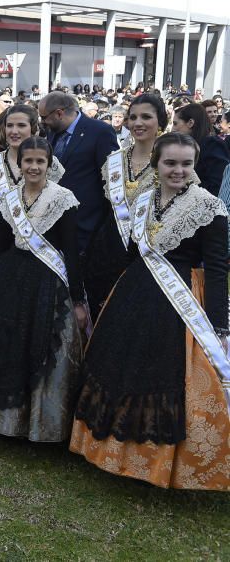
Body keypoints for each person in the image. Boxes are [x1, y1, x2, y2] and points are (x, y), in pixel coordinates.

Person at [71, 132, 230, 490]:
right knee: (119, 368)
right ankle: (109, 453)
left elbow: (219, 270)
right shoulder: (143, 199)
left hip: (178, 301)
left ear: (195, 166)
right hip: (134, 293)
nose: (178, 170)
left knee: (163, 375)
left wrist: (220, 326)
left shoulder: (209, 208)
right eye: (170, 163)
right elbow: (131, 254)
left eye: (186, 164)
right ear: (156, 164)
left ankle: (153, 464)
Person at [0, 137, 87, 441]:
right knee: (0, 340)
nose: (34, 166)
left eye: (40, 161)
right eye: (28, 161)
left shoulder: (63, 199)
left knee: (39, 345)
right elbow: (2, 242)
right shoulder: (10, 197)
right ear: (19, 163)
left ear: (50, 165)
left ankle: (35, 423)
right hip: (9, 275)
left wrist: (77, 299)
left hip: (47, 281)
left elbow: (72, 252)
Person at [83, 95, 173, 319]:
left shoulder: (174, 161)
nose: (138, 123)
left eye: (146, 117)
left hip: (149, 253)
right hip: (107, 251)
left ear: (160, 122)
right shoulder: (114, 160)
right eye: (132, 117)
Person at [0, 105, 64, 285]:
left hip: (37, 243)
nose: (14, 131)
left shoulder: (51, 164)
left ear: (34, 129)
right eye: (9, 125)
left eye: (21, 126)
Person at [40, 90, 119, 251]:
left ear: (59, 113)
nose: (42, 122)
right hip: (55, 223)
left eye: (44, 117)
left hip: (86, 224)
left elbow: (111, 179)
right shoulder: (52, 133)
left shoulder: (100, 131)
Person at [172, 102, 230, 196]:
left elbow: (218, 184)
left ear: (190, 123)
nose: (172, 129)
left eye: (175, 124)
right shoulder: (186, 146)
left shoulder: (211, 144)